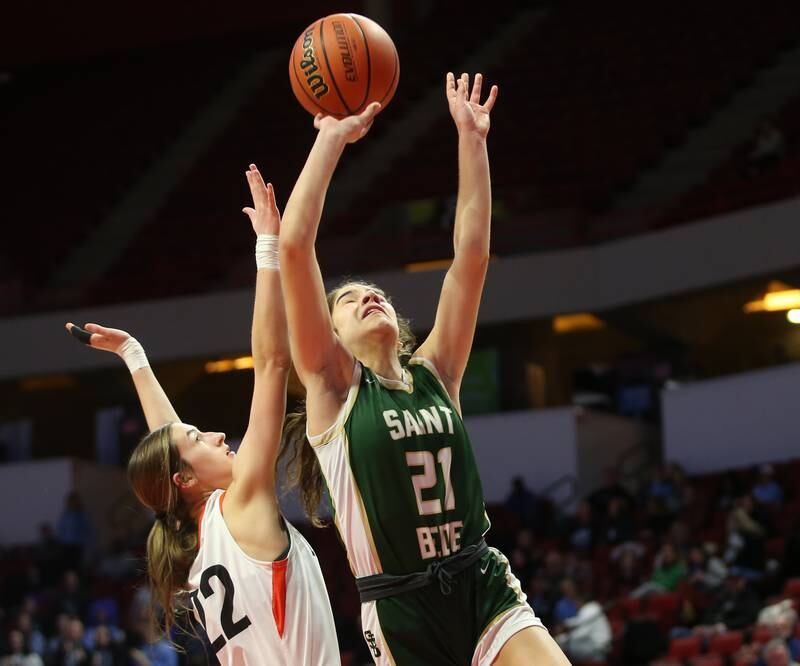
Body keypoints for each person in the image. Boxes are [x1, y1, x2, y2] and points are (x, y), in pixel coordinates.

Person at [278, 71, 569, 665]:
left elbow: (471, 257)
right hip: (401, 608)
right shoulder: (334, 390)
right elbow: (293, 247)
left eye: (373, 291)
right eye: (347, 300)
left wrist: (472, 140)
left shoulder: (437, 372)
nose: (367, 296)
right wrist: (331, 138)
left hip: (479, 580)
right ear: (330, 338)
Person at [65, 166, 339, 665]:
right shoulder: (240, 504)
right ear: (185, 478)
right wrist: (267, 248)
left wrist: (135, 358)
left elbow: (169, 444)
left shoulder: (200, 548)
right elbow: (273, 364)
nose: (217, 435)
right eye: (201, 437)